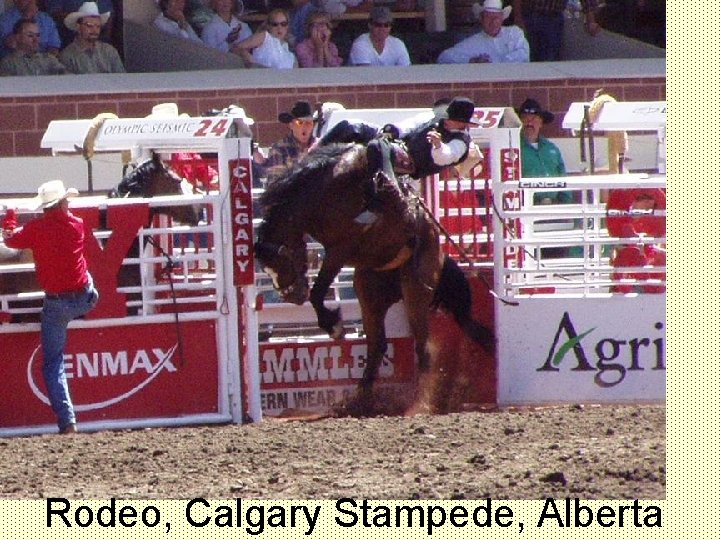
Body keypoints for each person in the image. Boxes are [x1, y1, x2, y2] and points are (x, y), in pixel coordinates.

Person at [2, 181, 99, 434]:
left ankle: (67, 422)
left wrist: (10, 220)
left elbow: (11, 241)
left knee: (52, 362)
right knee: (89, 282)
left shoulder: (35, 229)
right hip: (83, 298)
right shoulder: (76, 225)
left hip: (56, 304)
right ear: (62, 203)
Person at [437, 0, 529, 64]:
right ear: (481, 19)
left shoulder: (514, 33)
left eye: (496, 17)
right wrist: (470, 61)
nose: (493, 22)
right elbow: (443, 58)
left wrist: (493, 63)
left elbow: (523, 55)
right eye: (488, 17)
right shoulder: (473, 42)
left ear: (502, 19)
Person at [511, 0, 601, 61]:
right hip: (529, 16)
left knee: (551, 60)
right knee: (526, 57)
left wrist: (591, 21)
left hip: (554, 19)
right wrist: (518, 18)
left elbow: (588, 2)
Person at [255, 100, 317, 184]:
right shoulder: (279, 149)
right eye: (300, 123)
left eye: (309, 123)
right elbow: (275, 184)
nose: (304, 127)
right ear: (291, 125)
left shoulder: (321, 146)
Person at [59, 1, 125, 73]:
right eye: (89, 25)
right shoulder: (68, 56)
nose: (94, 30)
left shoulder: (109, 51)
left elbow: (122, 79)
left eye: (98, 26)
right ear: (78, 27)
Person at [0, 19, 67, 75]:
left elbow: (67, 77)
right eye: (30, 35)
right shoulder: (8, 63)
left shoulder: (49, 59)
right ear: (18, 37)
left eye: (38, 35)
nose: (36, 40)